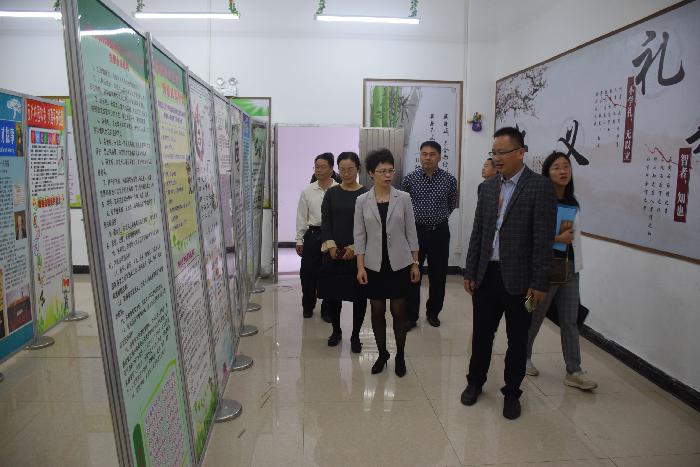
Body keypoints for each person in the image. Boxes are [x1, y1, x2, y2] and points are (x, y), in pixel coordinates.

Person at [461, 127, 556, 420]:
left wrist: (540, 283)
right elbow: (478, 232)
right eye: (494, 153)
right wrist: (470, 270)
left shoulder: (540, 187)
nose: (497, 158)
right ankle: (475, 382)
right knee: (481, 335)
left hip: (523, 283)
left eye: (502, 152)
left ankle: (512, 392)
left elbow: (543, 241)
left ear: (520, 153)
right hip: (486, 275)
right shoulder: (488, 187)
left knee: (518, 339)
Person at [525, 151, 597, 390]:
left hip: (570, 269)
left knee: (570, 320)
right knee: (532, 315)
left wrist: (566, 242)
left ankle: (574, 370)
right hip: (543, 269)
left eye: (566, 166)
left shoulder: (572, 201)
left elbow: (573, 237)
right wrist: (557, 238)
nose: (563, 171)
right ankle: (522, 357)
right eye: (556, 167)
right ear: (547, 173)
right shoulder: (538, 199)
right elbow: (528, 237)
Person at [354, 149, 420, 377]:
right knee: (377, 311)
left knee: (399, 312)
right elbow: (359, 236)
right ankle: (382, 354)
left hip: (399, 264)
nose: (388, 175)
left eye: (391, 170)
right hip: (373, 265)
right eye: (382, 171)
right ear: (371, 173)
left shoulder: (403, 198)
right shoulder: (362, 201)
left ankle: (400, 354)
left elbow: (411, 232)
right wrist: (360, 267)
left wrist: (415, 263)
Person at [402, 141, 458, 329]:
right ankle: (411, 316)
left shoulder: (449, 180)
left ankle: (433, 313)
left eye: (432, 154)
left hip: (439, 233)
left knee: (438, 275)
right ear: (420, 156)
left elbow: (451, 204)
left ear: (439, 157)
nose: (427, 158)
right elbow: (404, 206)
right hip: (415, 233)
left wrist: (437, 218)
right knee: (412, 274)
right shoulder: (410, 179)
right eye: (424, 154)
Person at [319, 152, 368, 352]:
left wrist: (354, 248)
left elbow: (369, 226)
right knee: (333, 296)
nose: (346, 173)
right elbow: (326, 220)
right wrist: (330, 245)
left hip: (358, 257)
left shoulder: (366, 194)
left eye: (350, 169)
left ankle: (355, 335)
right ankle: (336, 331)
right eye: (342, 169)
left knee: (359, 298)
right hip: (333, 253)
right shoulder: (332, 193)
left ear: (358, 169)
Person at [296, 153, 338, 318]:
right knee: (308, 273)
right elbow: (301, 217)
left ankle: (327, 309)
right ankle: (308, 305)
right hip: (313, 234)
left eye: (323, 167)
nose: (319, 170)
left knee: (329, 274)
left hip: (333, 236)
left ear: (331, 169)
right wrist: (299, 239)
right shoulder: (308, 191)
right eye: (316, 167)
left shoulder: (338, 189)